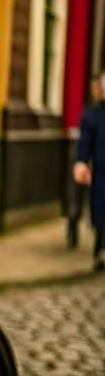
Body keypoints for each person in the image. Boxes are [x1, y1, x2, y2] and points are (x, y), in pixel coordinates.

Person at [72, 71, 105, 271]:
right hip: (101, 171)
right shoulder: (94, 114)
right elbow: (86, 139)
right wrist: (81, 161)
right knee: (99, 211)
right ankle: (99, 249)